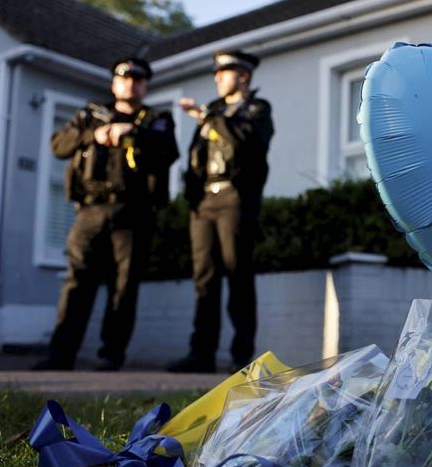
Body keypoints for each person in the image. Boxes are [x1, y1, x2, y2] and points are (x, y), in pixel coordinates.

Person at [33, 57, 178, 371]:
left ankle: (110, 357)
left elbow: (169, 151)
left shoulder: (156, 119)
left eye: (138, 79)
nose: (130, 83)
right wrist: (93, 136)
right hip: (91, 209)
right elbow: (58, 145)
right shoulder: (90, 115)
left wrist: (132, 133)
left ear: (145, 86)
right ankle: (60, 356)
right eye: (123, 78)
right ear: (114, 84)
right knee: (77, 281)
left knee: (123, 287)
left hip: (134, 212)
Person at [167, 50, 274, 373]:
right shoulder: (212, 111)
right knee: (205, 278)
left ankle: (242, 357)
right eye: (217, 72)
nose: (217, 77)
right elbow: (196, 156)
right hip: (205, 202)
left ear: (243, 76)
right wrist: (192, 195)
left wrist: (206, 118)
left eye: (224, 71)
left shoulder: (257, 109)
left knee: (237, 273)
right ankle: (200, 354)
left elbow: (245, 143)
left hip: (234, 198)